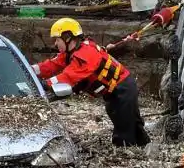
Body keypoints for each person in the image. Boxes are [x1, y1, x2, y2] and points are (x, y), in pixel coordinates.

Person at [31, 17, 151, 148]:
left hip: (123, 89)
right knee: (126, 120)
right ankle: (144, 146)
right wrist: (29, 70)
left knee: (124, 126)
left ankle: (129, 153)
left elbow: (68, 77)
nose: (55, 44)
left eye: (57, 39)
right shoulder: (71, 52)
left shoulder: (85, 55)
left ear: (67, 38)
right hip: (115, 91)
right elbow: (51, 65)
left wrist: (44, 84)